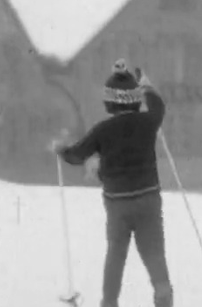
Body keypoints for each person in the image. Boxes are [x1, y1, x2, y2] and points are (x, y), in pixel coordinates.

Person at [51, 59, 173, 307]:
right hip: (148, 198)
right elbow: (159, 107)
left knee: (116, 256)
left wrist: (61, 150)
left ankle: (109, 302)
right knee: (154, 254)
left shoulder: (102, 130)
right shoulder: (148, 122)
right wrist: (147, 86)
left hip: (117, 203)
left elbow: (77, 155)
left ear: (110, 101)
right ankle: (163, 298)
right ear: (135, 98)